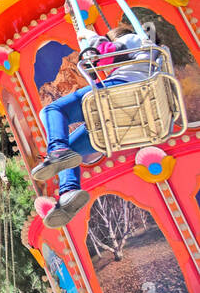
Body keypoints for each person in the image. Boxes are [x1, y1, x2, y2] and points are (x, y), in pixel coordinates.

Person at [32, 20, 153, 228]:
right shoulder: (148, 54)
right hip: (132, 112)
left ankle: (57, 149)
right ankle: (69, 192)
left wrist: (90, 37)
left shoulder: (133, 39)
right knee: (70, 150)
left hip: (121, 91)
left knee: (52, 109)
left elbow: (106, 52)